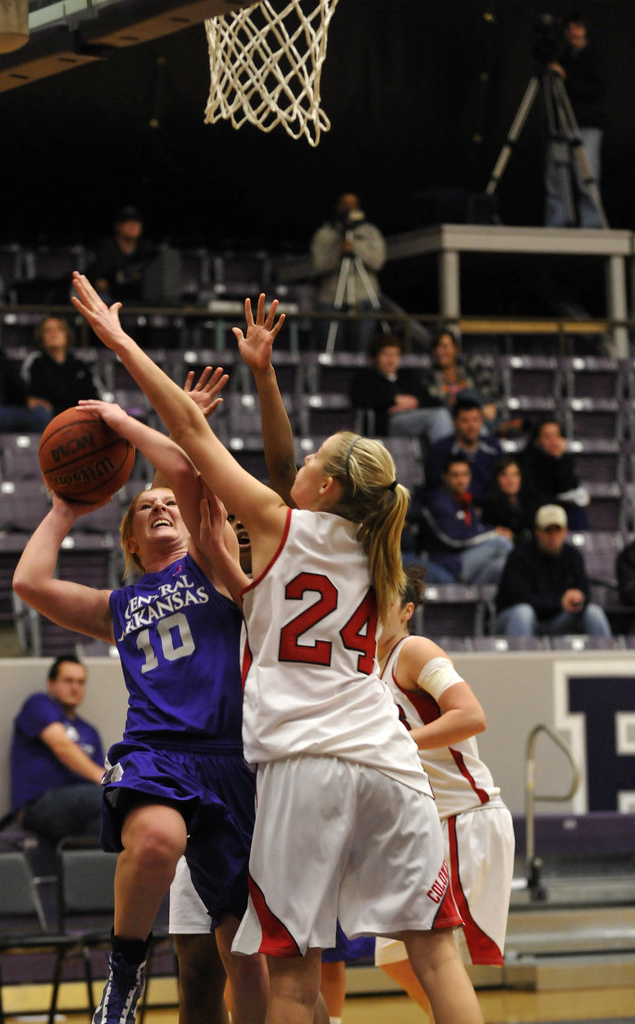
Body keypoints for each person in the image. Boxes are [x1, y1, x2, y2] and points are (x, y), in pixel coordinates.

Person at [71, 271, 485, 1024]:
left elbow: (195, 440)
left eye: (309, 463)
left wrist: (122, 343)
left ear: (322, 488)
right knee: (435, 956)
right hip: (391, 764)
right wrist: (262, 380)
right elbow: (242, 555)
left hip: (302, 768)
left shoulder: (278, 524)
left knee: (291, 976)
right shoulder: (376, 547)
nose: (295, 467)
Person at [13, 404, 268, 1024]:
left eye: (170, 506)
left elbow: (184, 467)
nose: (159, 508)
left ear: (192, 527)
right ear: (130, 540)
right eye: (145, 508)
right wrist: (64, 510)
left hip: (232, 760)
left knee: (245, 947)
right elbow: (30, 581)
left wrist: (126, 426)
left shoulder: (215, 564)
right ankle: (125, 972)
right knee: (156, 839)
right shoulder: (118, 607)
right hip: (156, 751)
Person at [374, 566, 515, 1017]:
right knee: (394, 959)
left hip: (461, 818)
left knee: (437, 956)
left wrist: (395, 743)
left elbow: (471, 715)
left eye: (383, 600)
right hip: (420, 827)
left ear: (407, 611)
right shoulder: (360, 666)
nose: (372, 609)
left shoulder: (413, 650)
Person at [11, 655, 104, 842]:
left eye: (80, 682)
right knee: (104, 800)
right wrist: (106, 780)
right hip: (39, 802)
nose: (75, 687)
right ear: (51, 683)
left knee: (117, 807)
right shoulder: (38, 704)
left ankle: (92, 867)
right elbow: (62, 747)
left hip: (82, 802)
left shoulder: (90, 731)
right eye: (68, 680)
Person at [495, 503, 612, 637]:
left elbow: (584, 590)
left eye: (558, 529)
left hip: (560, 619)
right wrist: (559, 602)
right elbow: (517, 597)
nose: (553, 535)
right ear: (537, 531)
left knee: (593, 612)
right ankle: (519, 656)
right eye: (547, 530)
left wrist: (577, 599)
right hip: (522, 619)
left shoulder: (573, 555)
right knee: (523, 613)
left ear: (565, 531)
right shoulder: (519, 556)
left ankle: (607, 655)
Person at [544, 13, 605, 229]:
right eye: (570, 29)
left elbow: (595, 91)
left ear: (585, 30)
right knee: (555, 178)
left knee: (586, 177)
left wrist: (566, 77)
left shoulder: (594, 58)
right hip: (562, 124)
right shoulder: (563, 58)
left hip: (586, 126)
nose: (574, 33)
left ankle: (592, 225)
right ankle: (555, 223)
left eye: (578, 28)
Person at [310, 192, 387, 352]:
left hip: (364, 297)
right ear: (337, 207)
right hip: (331, 298)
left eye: (352, 205)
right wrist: (339, 253)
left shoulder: (370, 232)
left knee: (363, 350)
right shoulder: (325, 234)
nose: (348, 209)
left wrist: (354, 247)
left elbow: (378, 261)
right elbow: (317, 266)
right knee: (331, 350)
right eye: (344, 204)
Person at [419, 456, 514, 585]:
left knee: (501, 564)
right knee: (501, 543)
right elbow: (453, 540)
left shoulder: (466, 501)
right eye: (455, 475)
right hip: (449, 562)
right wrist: (494, 532)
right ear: (445, 477)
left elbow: (474, 531)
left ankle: (472, 597)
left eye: (465, 475)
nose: (461, 480)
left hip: (465, 559)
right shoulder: (439, 502)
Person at [349, 333, 452, 444]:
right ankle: (448, 458)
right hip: (387, 422)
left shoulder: (407, 376)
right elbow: (358, 397)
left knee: (444, 412)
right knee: (438, 417)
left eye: (395, 355)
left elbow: (428, 398)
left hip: (413, 418)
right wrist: (394, 401)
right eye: (386, 354)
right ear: (376, 356)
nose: (391, 359)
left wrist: (414, 403)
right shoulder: (367, 376)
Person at [420, 328, 515, 438]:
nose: (440, 351)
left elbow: (491, 392)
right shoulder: (428, 376)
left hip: (480, 416)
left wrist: (491, 406)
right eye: (436, 347)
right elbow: (436, 404)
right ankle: (496, 428)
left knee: (470, 400)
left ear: (456, 349)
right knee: (465, 398)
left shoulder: (470, 366)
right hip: (452, 421)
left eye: (444, 346)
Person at [21, 315, 103, 425]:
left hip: (79, 415)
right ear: (41, 337)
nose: (54, 333)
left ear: (67, 334)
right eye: (47, 330)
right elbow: (30, 396)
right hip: (50, 418)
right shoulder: (35, 362)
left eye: (59, 329)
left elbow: (95, 394)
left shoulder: (80, 364)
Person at [424, 397, 503, 506]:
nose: (471, 426)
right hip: (453, 509)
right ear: (455, 422)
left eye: (475, 420)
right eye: (465, 420)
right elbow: (434, 488)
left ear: (481, 421)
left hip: (490, 508)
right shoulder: (440, 450)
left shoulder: (493, 447)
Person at [518, 415, 589, 529]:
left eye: (556, 435)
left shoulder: (563, 459)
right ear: (537, 440)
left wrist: (558, 460)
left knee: (577, 513)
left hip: (560, 508)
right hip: (536, 509)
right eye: (547, 436)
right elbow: (533, 495)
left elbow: (569, 486)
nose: (553, 441)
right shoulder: (526, 460)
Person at [91, 206, 158, 304]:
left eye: (137, 222)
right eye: (128, 222)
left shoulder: (147, 249)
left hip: (140, 297)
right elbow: (100, 281)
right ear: (118, 226)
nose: (133, 226)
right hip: (112, 297)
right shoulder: (107, 248)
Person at [480, 456, 536, 543]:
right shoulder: (490, 507)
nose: (511, 481)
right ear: (496, 479)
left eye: (515, 474)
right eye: (504, 475)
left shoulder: (531, 501)